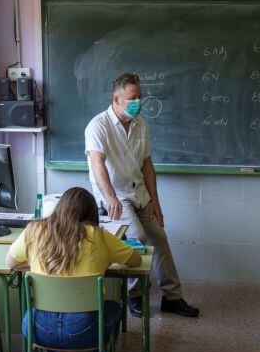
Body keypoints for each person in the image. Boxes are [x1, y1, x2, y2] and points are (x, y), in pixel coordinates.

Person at [6, 186, 143, 352]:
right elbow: (136, 260)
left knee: (34, 318)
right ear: (91, 214)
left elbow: (11, 262)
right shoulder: (98, 236)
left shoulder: (34, 230)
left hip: (42, 329)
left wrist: (35, 266)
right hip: (86, 330)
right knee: (114, 309)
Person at [85, 71, 199, 319]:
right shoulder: (98, 125)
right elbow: (97, 164)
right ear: (117, 100)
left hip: (140, 193)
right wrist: (110, 197)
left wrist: (156, 202)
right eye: (133, 98)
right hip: (117, 196)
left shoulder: (141, 124)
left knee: (159, 235)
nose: (139, 102)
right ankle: (133, 295)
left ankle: (172, 297)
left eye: (140, 97)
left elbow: (147, 164)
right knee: (136, 236)